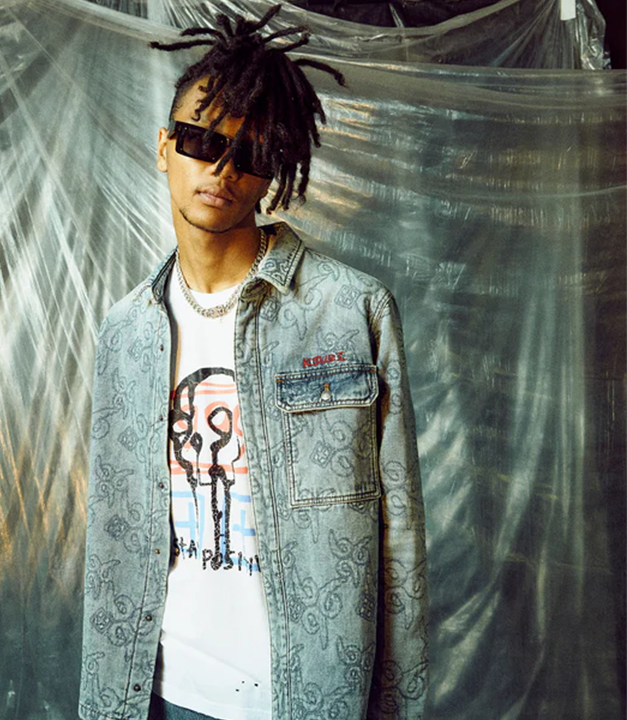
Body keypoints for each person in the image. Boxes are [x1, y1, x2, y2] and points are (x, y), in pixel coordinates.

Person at [79, 6, 427, 720]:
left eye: (251, 152)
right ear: (164, 148)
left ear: (275, 171)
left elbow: (401, 547)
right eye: (201, 140)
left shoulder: (351, 311)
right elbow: (111, 541)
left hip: (303, 695)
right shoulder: (125, 331)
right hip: (156, 692)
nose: (221, 168)